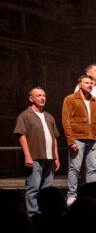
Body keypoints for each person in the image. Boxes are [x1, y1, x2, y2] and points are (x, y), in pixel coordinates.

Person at [14, 87, 60, 215]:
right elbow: (21, 136)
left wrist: (56, 157)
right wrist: (27, 156)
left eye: (44, 95)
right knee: (33, 188)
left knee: (47, 189)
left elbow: (54, 138)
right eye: (39, 95)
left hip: (49, 158)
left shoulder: (49, 116)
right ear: (31, 98)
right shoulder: (25, 115)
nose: (42, 98)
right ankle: (33, 214)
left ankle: (45, 213)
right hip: (35, 157)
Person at [62, 74, 96, 204]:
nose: (90, 85)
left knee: (92, 169)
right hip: (78, 138)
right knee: (75, 168)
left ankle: (90, 195)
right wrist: (71, 140)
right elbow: (66, 121)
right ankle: (72, 195)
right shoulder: (70, 99)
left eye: (91, 83)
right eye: (86, 83)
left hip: (93, 139)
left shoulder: (95, 101)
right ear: (80, 84)